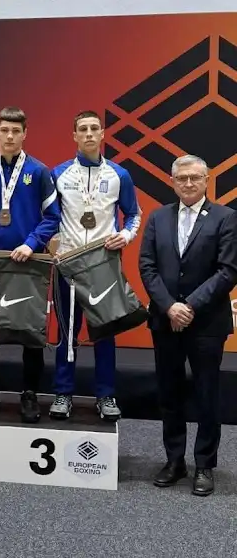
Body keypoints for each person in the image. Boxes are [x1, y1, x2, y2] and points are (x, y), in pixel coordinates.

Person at [139, 154, 237, 497]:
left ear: (206, 180)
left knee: (207, 394)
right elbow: (147, 266)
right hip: (165, 320)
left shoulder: (226, 217)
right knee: (169, 393)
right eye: (182, 178)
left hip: (206, 322)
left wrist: (190, 305)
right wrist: (169, 306)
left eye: (195, 177)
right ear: (172, 182)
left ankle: (205, 465)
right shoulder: (158, 217)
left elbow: (228, 270)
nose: (189, 183)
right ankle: (174, 460)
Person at [0, 106, 61, 423]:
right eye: (4, 130)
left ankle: (29, 394)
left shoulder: (39, 172)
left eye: (16, 131)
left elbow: (52, 218)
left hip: (29, 262)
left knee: (31, 331)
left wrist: (31, 243)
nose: (9, 136)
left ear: (24, 134)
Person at [50, 110, 141, 421]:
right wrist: (55, 247)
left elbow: (133, 215)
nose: (88, 134)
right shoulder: (59, 174)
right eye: (82, 129)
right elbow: (49, 218)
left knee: (105, 332)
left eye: (94, 128)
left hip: (104, 265)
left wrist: (125, 236)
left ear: (102, 134)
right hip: (68, 266)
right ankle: (63, 393)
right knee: (67, 332)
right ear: (74, 136)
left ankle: (106, 395)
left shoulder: (119, 175)